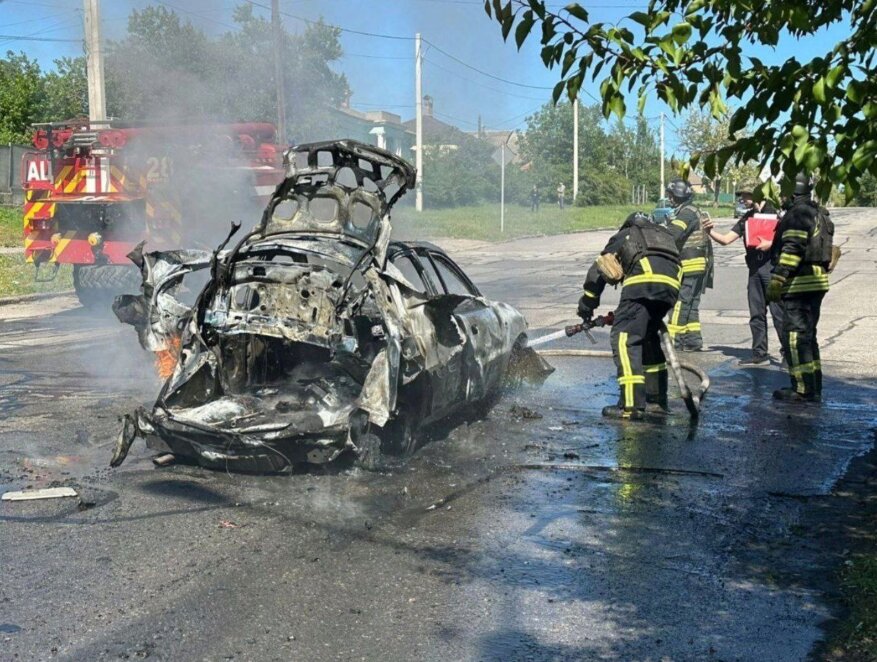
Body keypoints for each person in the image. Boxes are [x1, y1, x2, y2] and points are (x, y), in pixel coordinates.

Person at [577, 212, 682, 420]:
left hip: (642, 287)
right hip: (670, 292)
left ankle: (631, 406)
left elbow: (599, 270)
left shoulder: (628, 233)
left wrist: (586, 305)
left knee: (625, 339)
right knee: (649, 339)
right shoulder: (663, 235)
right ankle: (656, 401)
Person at [767, 174, 833, 402]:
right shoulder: (818, 212)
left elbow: (793, 247)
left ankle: (802, 389)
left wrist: (778, 278)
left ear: (792, 191)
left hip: (800, 283)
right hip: (816, 282)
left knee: (794, 337)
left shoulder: (798, 214)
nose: (780, 196)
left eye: (783, 191)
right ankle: (814, 386)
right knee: (808, 337)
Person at [704, 191, 784, 365]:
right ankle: (759, 354)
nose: (741, 199)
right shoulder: (747, 218)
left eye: (746, 195)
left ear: (758, 195)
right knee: (756, 315)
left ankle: (789, 356)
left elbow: (788, 240)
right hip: (754, 270)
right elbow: (726, 240)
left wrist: (771, 244)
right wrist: (710, 231)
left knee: (779, 314)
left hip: (773, 269)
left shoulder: (777, 214)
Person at [664, 179, 713, 351]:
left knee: (679, 304)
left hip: (688, 265)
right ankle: (692, 341)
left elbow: (672, 234)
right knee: (691, 305)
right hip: (699, 265)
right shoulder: (693, 210)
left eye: (670, 195)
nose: (669, 199)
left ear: (676, 195)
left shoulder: (686, 213)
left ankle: (674, 342)